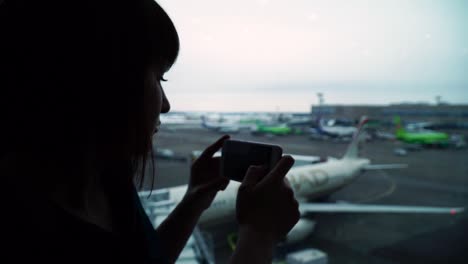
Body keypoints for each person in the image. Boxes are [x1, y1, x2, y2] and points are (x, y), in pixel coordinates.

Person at [0, 0, 300, 263]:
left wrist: (194, 199)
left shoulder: (106, 179)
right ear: (103, 82)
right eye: (159, 78)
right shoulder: (25, 230)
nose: (166, 105)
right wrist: (259, 235)